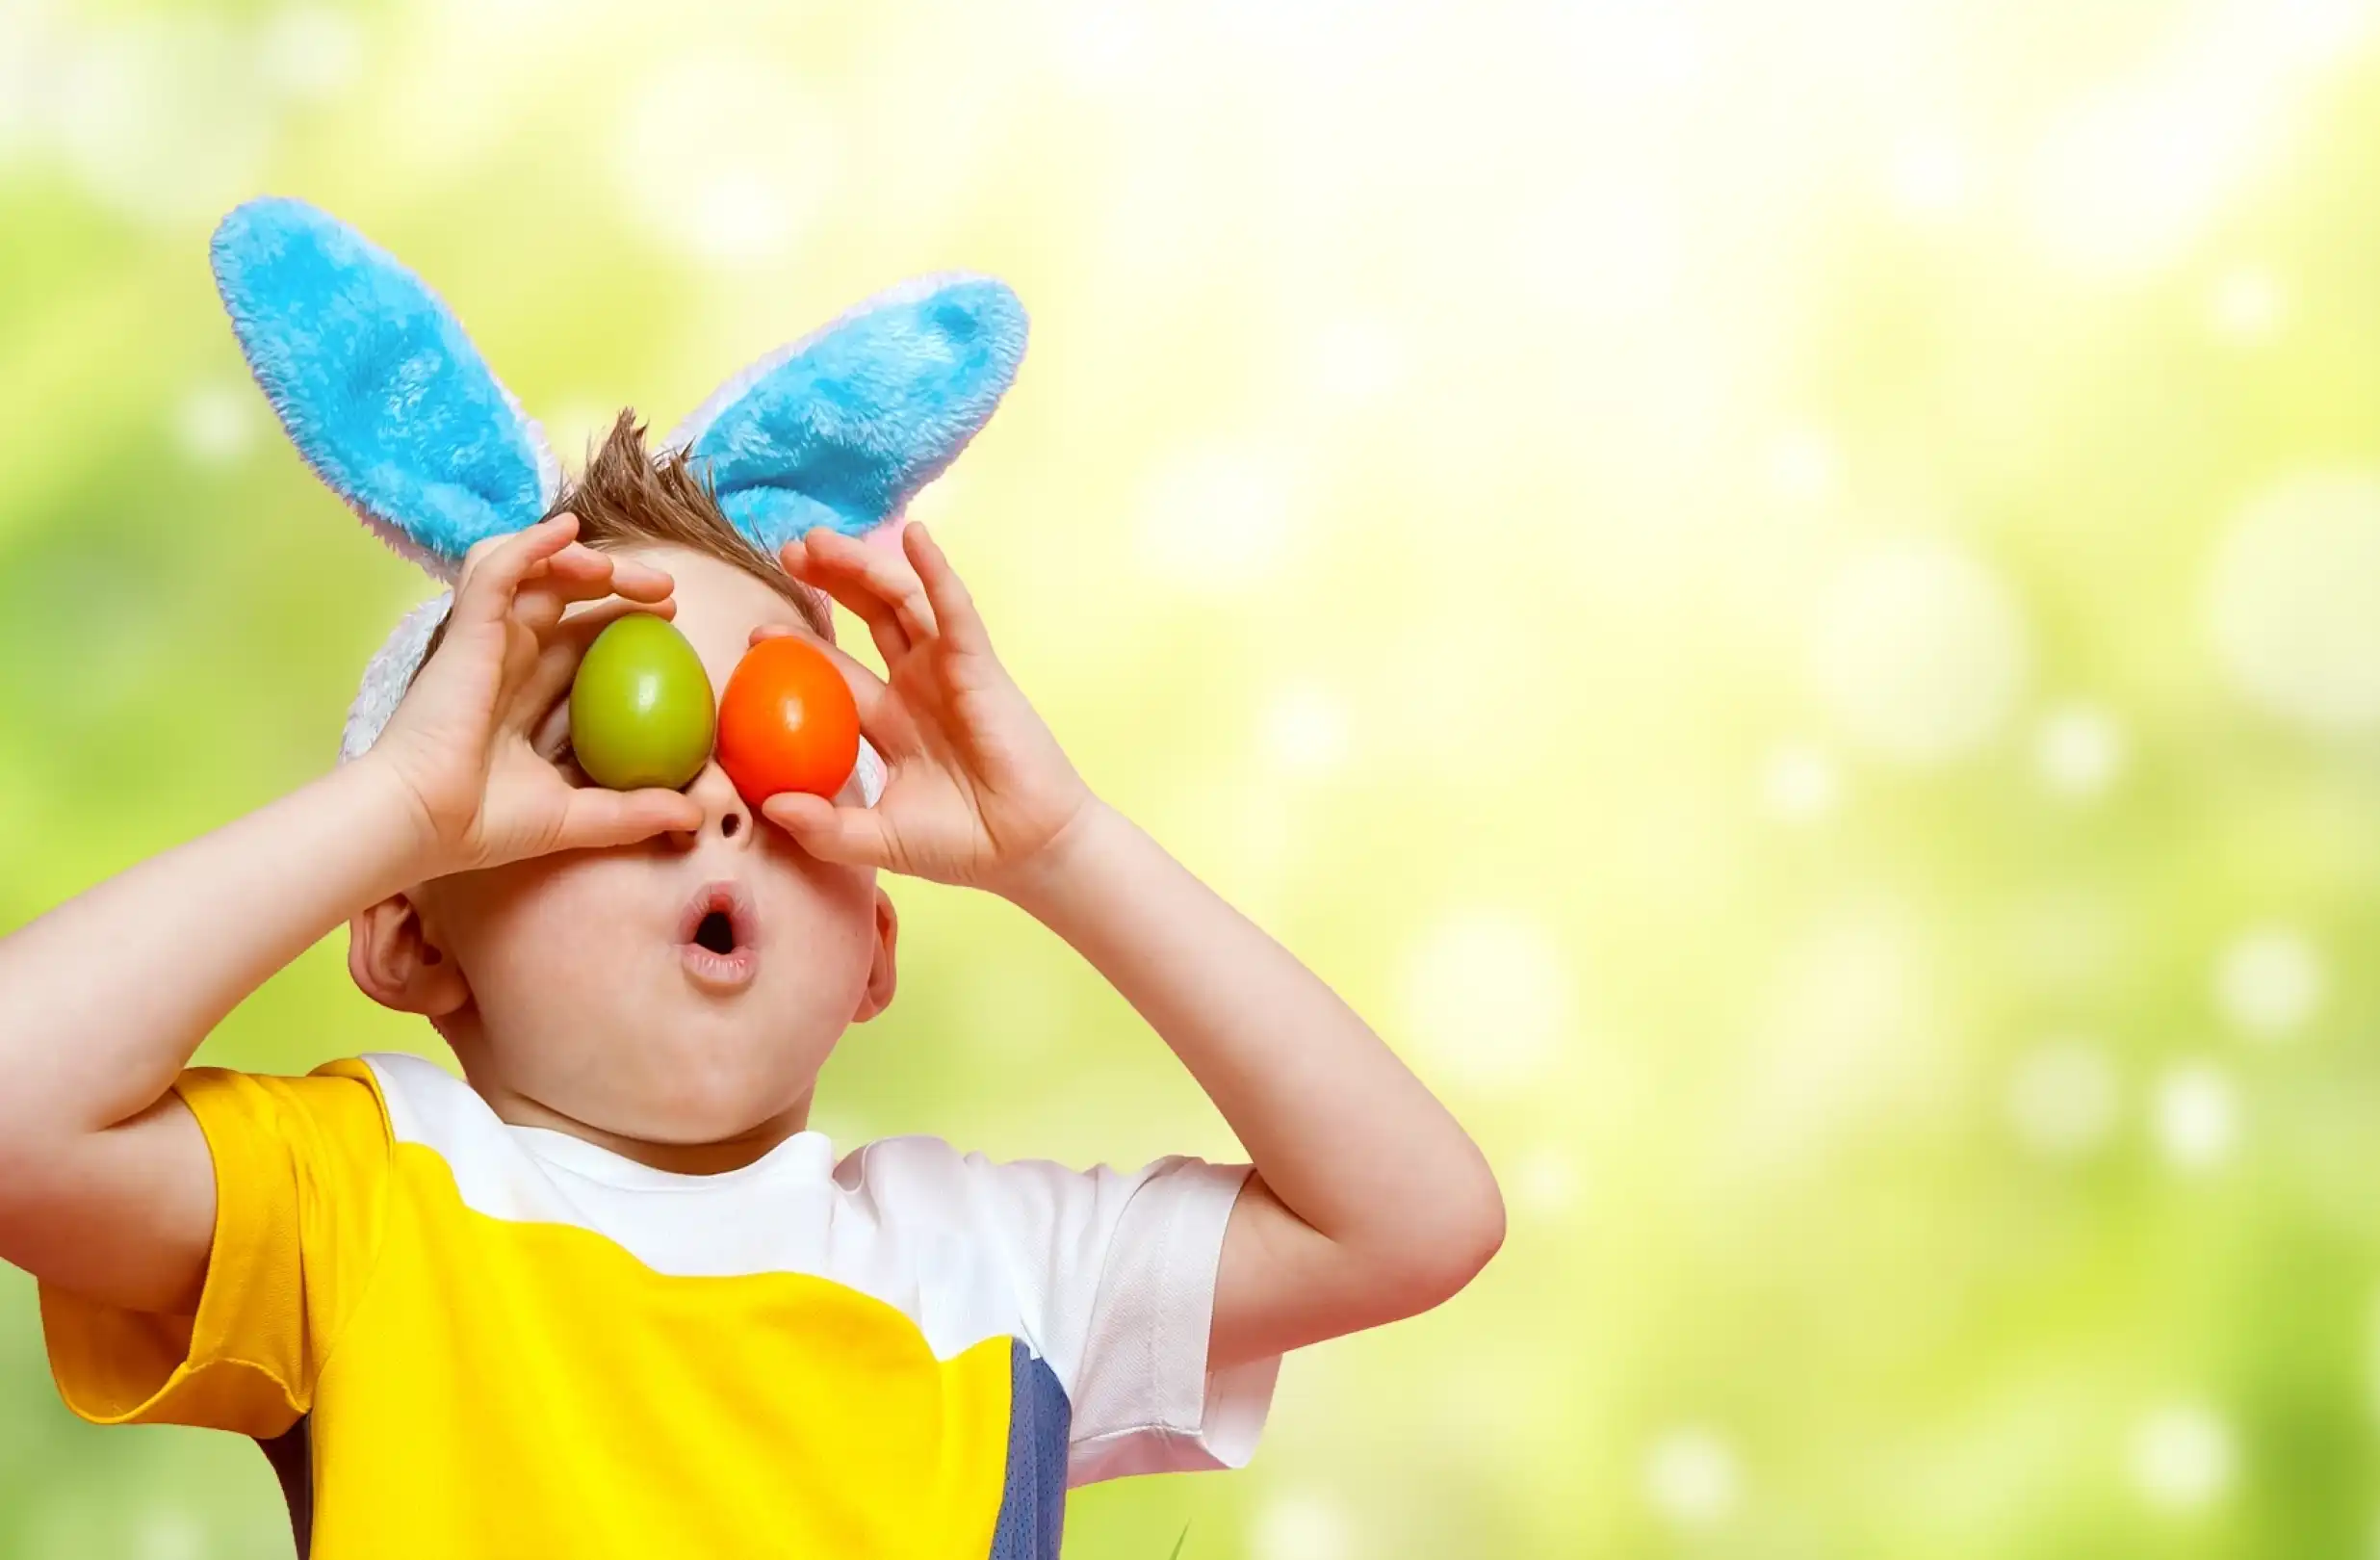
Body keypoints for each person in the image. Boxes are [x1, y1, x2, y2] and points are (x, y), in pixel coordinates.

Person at [0, 199, 1504, 1559]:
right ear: (410, 933)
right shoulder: (359, 1196)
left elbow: (1418, 1220)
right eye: (607, 743)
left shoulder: (993, 1275)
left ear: (873, 954)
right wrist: (398, 805)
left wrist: (1063, 849)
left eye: (797, 755)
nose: (718, 801)